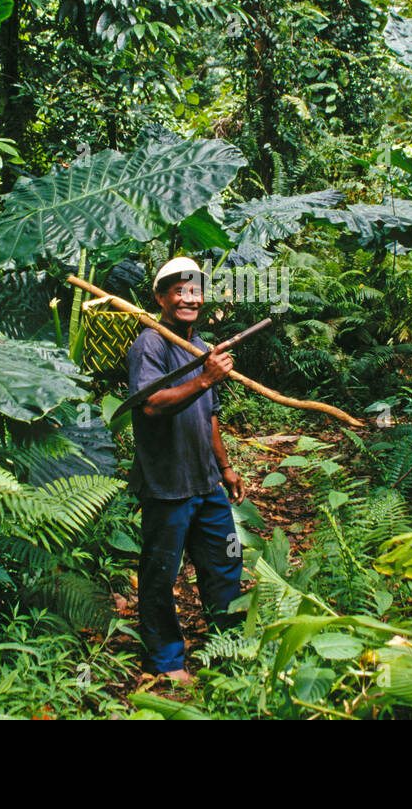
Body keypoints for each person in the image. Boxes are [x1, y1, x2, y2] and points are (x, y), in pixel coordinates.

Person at [126, 256, 246, 683]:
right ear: (161, 298)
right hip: (167, 484)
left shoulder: (202, 346)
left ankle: (228, 646)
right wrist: (206, 378)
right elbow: (153, 404)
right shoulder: (150, 345)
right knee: (160, 574)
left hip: (205, 481)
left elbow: (210, 415)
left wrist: (225, 466)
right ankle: (165, 662)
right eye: (179, 290)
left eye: (194, 290)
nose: (189, 298)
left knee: (226, 562)